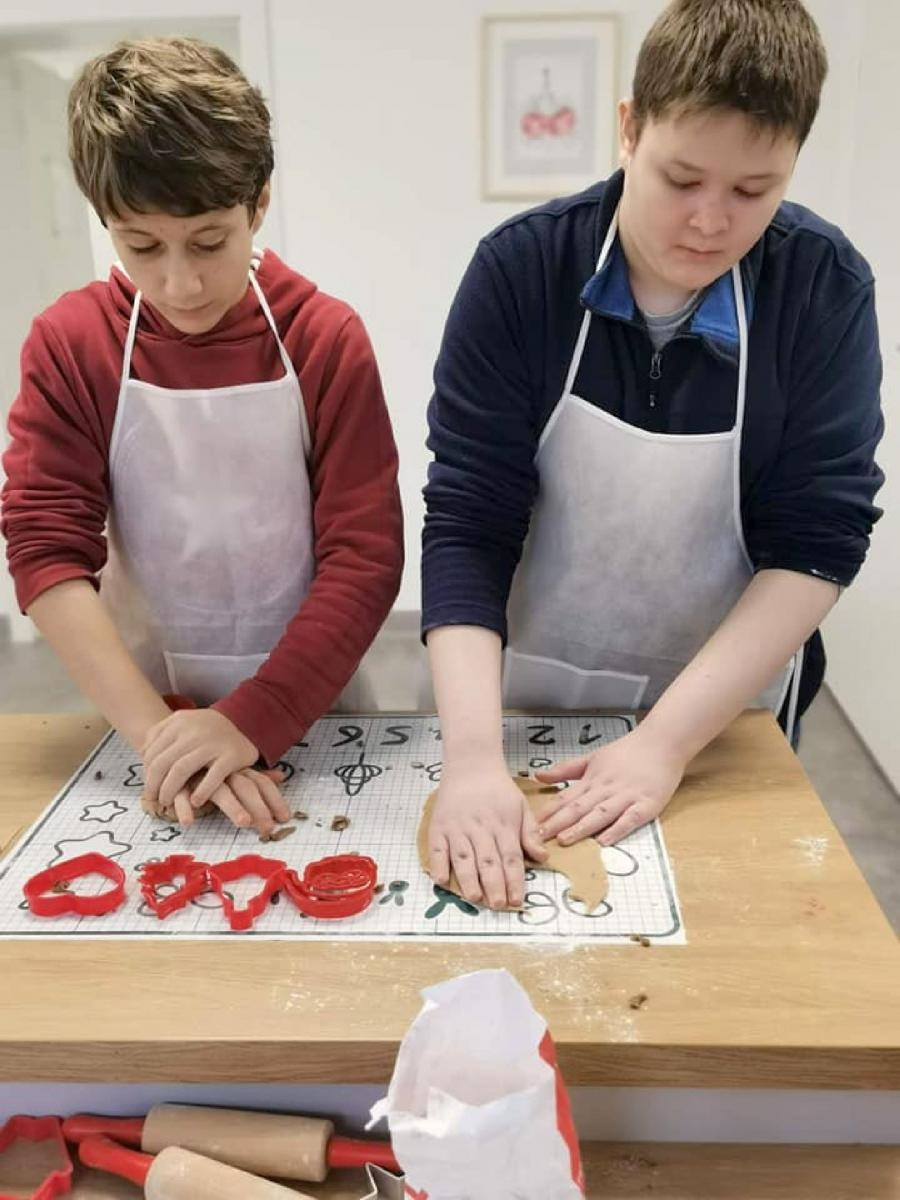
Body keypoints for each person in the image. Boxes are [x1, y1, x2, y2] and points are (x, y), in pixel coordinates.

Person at [421, 0, 884, 909]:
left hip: (724, 721)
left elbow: (820, 540)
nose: (711, 222)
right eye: (682, 178)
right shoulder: (522, 275)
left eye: (755, 191)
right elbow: (469, 520)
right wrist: (473, 758)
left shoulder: (822, 288)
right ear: (628, 128)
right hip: (529, 700)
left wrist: (667, 744)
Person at [2, 37, 403, 835]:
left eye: (210, 242)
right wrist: (165, 740)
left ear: (258, 205)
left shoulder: (324, 339)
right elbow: (45, 548)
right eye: (140, 247)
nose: (179, 284)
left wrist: (257, 717)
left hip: (313, 707)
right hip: (140, 712)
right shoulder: (71, 344)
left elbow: (367, 556)